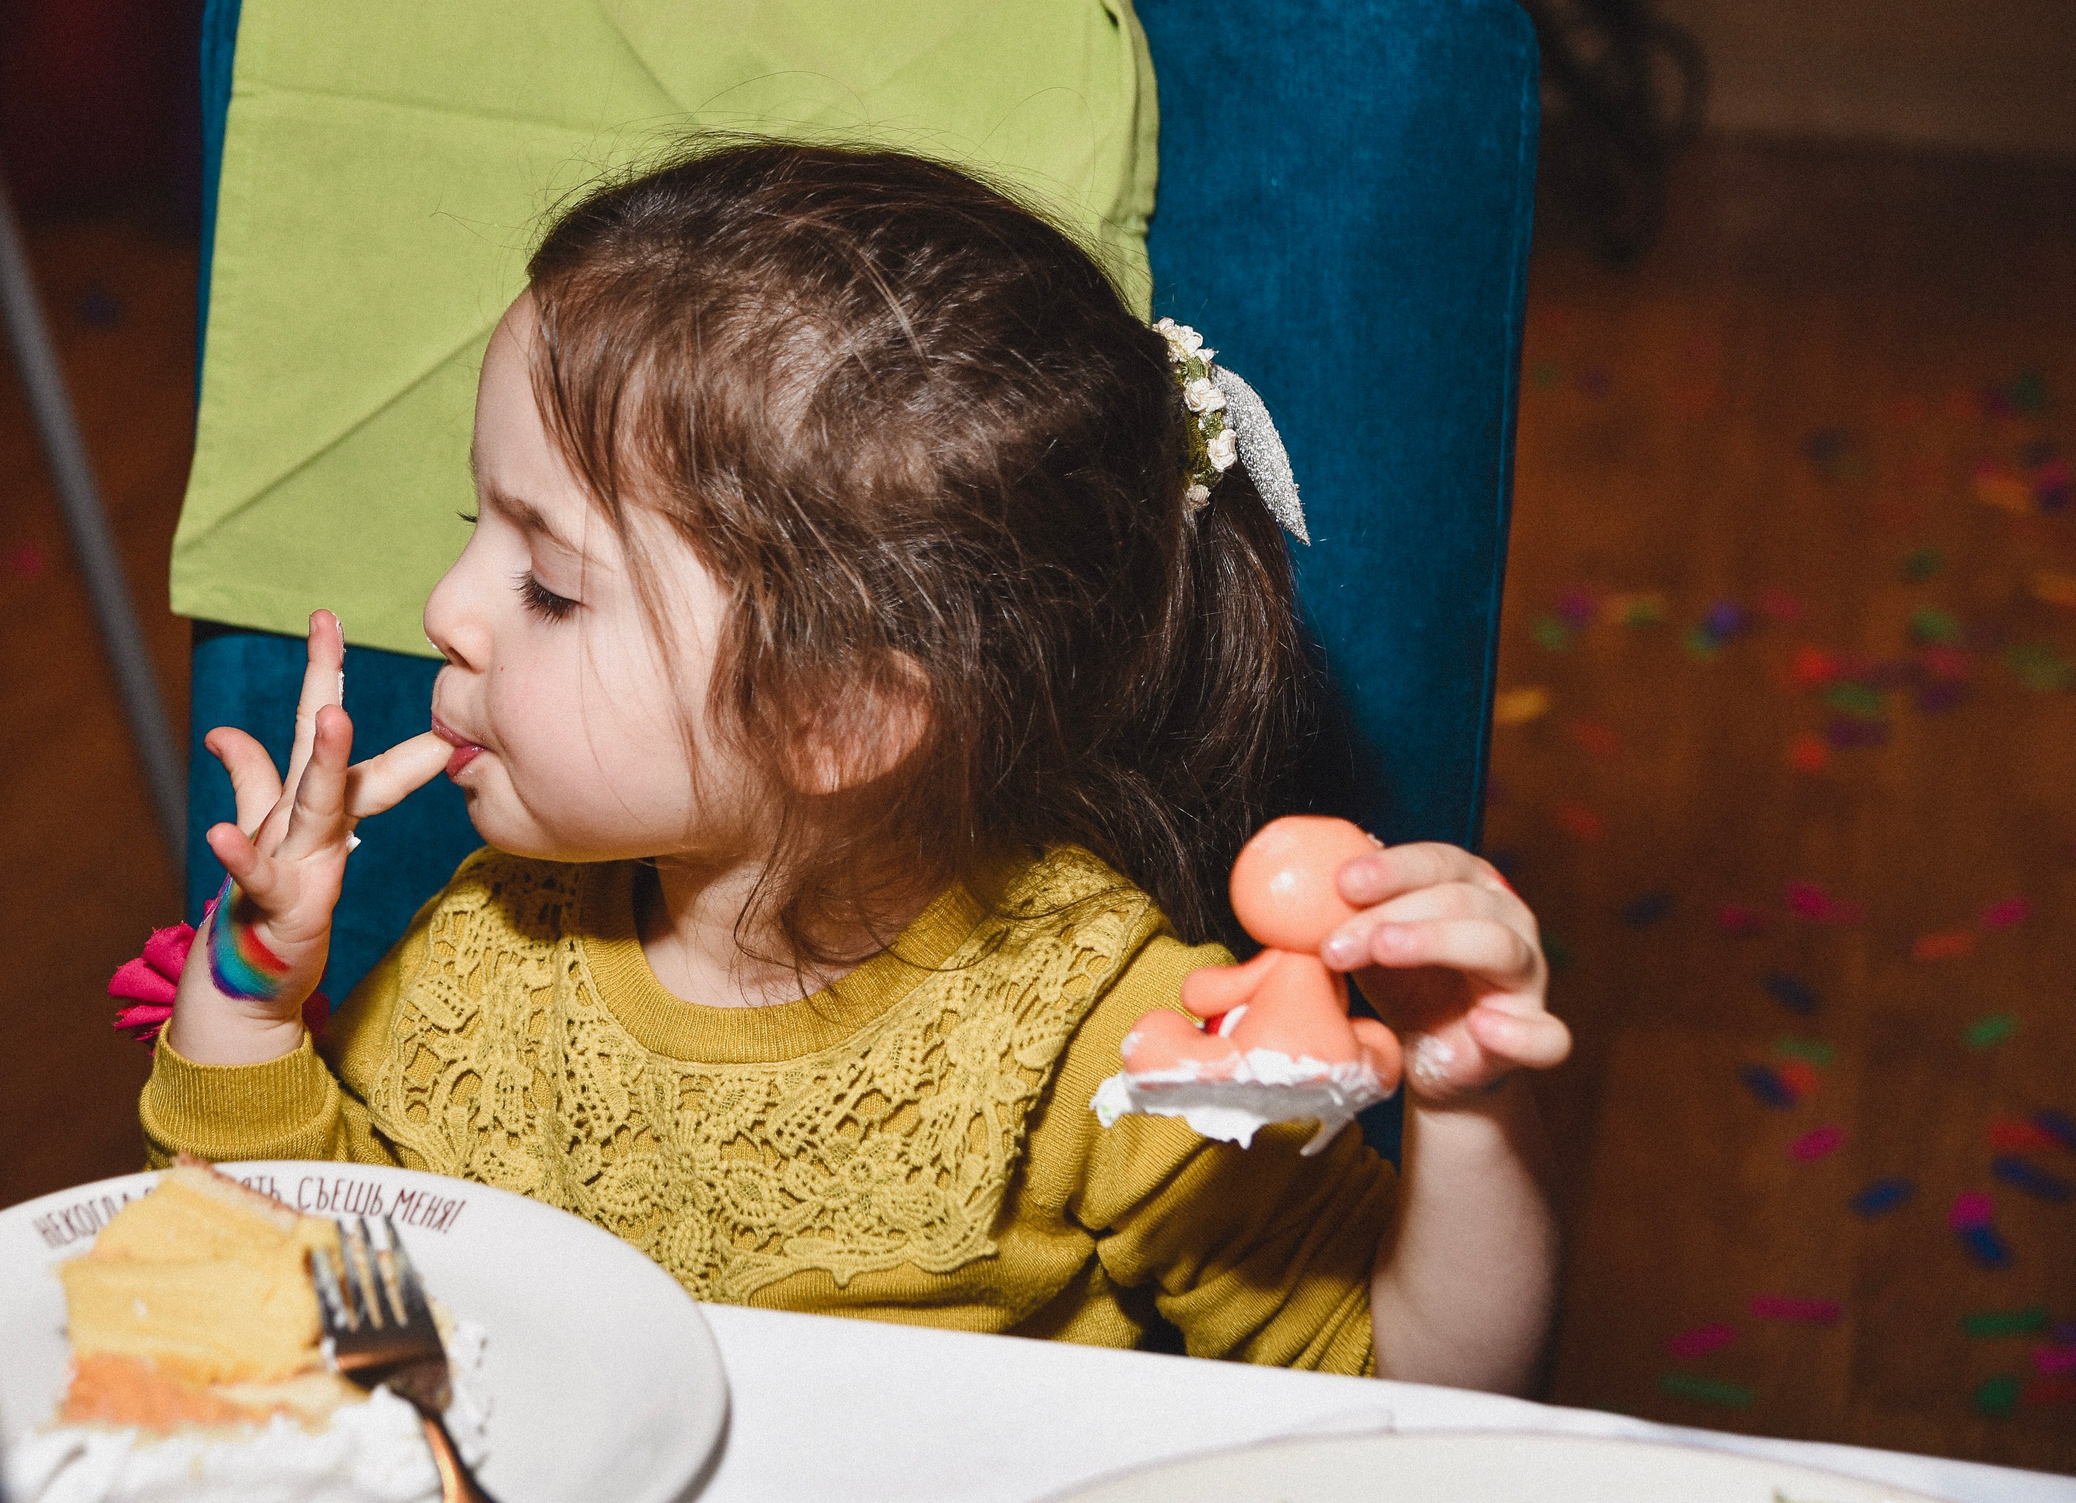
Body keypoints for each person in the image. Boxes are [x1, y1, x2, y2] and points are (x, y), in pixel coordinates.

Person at [140, 140, 1569, 1391]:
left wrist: (1468, 1109)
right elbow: (283, 1278)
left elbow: (1421, 1386)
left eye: (552, 585)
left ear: (841, 719)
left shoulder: (1099, 1038)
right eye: (476, 526)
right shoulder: (488, 955)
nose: (449, 608)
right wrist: (258, 977)